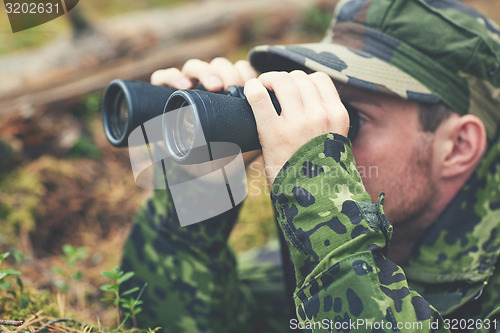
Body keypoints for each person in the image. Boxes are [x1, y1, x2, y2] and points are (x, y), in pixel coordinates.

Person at [119, 0, 500, 331]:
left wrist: (322, 206)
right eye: (319, 102)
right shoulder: (324, 252)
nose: (318, 134)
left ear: (458, 147)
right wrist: (201, 181)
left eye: (350, 118)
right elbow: (166, 316)